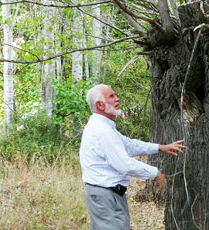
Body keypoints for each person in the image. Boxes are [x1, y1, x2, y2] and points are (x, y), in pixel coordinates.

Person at [80, 84, 187, 230]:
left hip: (109, 195)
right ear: (100, 105)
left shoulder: (105, 126)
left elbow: (129, 145)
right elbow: (124, 164)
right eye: (111, 96)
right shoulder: (101, 130)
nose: (117, 99)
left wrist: (160, 147)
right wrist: (155, 173)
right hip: (104, 195)